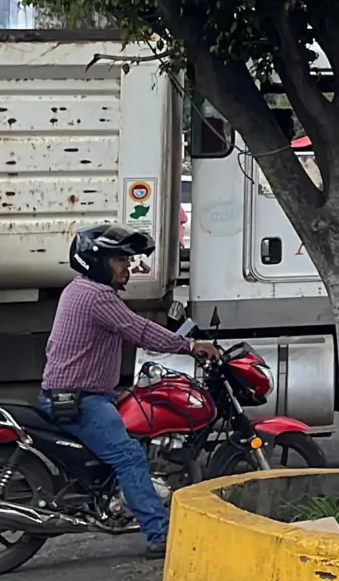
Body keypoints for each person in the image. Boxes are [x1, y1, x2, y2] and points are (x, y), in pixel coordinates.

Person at [41, 223, 218, 557]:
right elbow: (139, 331)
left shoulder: (78, 290)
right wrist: (191, 345)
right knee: (129, 457)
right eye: (119, 260)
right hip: (79, 400)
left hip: (82, 394)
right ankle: (159, 534)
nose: (128, 267)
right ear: (95, 261)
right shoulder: (97, 296)